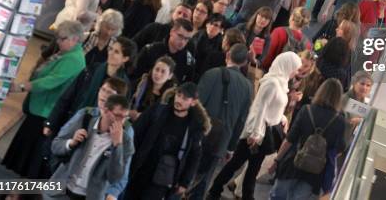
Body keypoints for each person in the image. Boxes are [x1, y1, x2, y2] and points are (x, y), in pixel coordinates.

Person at [206, 53, 302, 200]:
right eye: (295, 68)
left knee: (248, 168)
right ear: (287, 66)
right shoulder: (272, 83)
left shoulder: (280, 83)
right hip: (257, 135)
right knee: (240, 166)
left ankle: (221, 191)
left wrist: (281, 117)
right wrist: (256, 134)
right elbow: (260, 109)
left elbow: (271, 107)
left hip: (261, 134)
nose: (296, 72)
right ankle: (217, 190)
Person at [3, 21, 87, 179]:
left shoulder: (74, 59)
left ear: (75, 39)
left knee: (29, 163)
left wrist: (22, 86)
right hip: (40, 109)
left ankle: (18, 193)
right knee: (24, 160)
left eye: (62, 38)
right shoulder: (66, 53)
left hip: (45, 113)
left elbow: (50, 81)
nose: (58, 41)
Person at [126, 83, 211, 200]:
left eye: (184, 98)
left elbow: (194, 156)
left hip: (163, 178)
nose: (179, 100)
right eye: (178, 95)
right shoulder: (158, 111)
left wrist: (184, 183)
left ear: (193, 102)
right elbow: (136, 132)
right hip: (141, 167)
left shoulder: (195, 127)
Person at [190, 44, 253, 199]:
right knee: (203, 181)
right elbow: (241, 121)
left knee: (185, 171)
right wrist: (231, 147)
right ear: (245, 62)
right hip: (220, 140)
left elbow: (195, 104)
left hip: (197, 133)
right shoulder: (247, 87)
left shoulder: (211, 74)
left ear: (227, 56)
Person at [270, 78, 347, 200]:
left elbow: (289, 140)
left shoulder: (306, 110)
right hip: (315, 172)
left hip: (293, 163)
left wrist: (277, 160)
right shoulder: (340, 121)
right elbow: (340, 148)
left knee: (278, 196)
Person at [46, 94, 134, 200]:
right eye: (118, 116)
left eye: (125, 117)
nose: (121, 121)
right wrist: (71, 143)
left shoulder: (126, 141)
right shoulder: (84, 121)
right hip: (60, 190)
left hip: (90, 196)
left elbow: (114, 178)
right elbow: (55, 146)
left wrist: (117, 146)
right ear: (105, 110)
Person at [46, 36, 133, 136]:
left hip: (95, 133)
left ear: (125, 58)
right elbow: (68, 95)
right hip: (72, 121)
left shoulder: (124, 86)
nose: (110, 53)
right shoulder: (91, 70)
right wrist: (51, 122)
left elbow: (119, 115)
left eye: (116, 52)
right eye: (111, 49)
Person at [131, 18, 196, 84]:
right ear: (172, 32)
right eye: (180, 36)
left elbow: (184, 87)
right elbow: (134, 75)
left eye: (186, 39)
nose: (182, 42)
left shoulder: (188, 62)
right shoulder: (150, 50)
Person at [130, 56, 177, 122]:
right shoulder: (141, 82)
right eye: (156, 69)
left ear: (170, 76)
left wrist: (143, 116)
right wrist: (129, 112)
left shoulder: (171, 95)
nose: (158, 74)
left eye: (163, 72)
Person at [192, 14, 225, 81]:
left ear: (221, 29)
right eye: (210, 23)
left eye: (216, 25)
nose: (212, 27)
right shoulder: (197, 36)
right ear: (206, 24)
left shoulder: (221, 44)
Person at [342, 71, 373, 141]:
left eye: (368, 85)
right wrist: (351, 122)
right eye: (362, 84)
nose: (365, 88)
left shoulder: (364, 105)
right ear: (354, 83)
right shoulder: (344, 99)